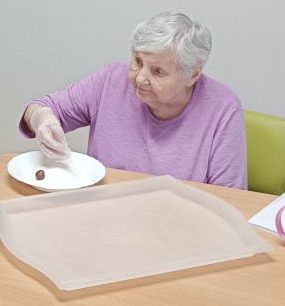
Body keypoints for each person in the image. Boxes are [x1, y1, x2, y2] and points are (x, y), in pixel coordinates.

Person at [19, 11, 247, 189]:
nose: (139, 78)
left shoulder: (223, 109)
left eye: (158, 71)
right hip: (104, 213)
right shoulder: (110, 81)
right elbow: (42, 107)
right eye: (138, 61)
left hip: (178, 224)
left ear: (193, 74)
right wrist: (41, 118)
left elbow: (230, 199)